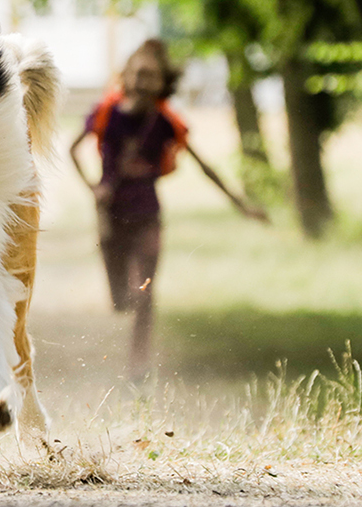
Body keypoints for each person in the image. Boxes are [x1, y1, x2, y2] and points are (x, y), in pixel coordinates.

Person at [69, 38, 266, 377]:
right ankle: (130, 328)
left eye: (152, 76)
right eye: (139, 74)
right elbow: (72, 150)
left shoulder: (165, 121)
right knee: (121, 301)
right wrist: (93, 188)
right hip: (110, 218)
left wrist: (241, 204)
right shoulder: (106, 113)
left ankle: (138, 366)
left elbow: (205, 166)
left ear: (163, 82)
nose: (144, 81)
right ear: (126, 76)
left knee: (143, 292)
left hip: (148, 215)